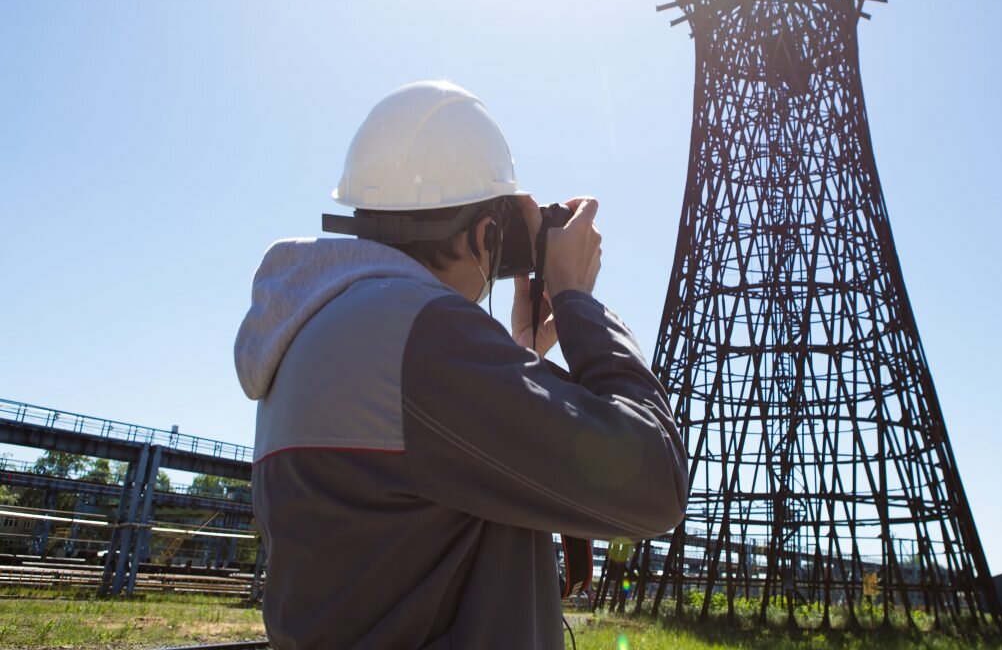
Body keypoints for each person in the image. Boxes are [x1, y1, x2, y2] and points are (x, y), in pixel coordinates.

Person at [234, 81, 687, 649]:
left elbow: (420, 522)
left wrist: (519, 359)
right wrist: (577, 301)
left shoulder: (307, 330)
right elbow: (655, 481)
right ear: (486, 234)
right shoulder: (422, 333)